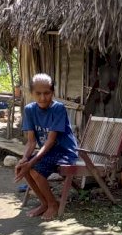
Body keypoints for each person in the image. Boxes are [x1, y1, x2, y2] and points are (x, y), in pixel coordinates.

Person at [14, 73, 78, 221]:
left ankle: (53, 204)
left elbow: (50, 141)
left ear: (52, 92)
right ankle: (44, 203)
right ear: (31, 93)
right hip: (48, 152)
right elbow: (31, 142)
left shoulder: (58, 108)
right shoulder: (29, 110)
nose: (43, 98)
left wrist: (32, 162)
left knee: (35, 170)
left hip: (64, 151)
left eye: (47, 93)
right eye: (38, 93)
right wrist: (24, 159)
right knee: (24, 168)